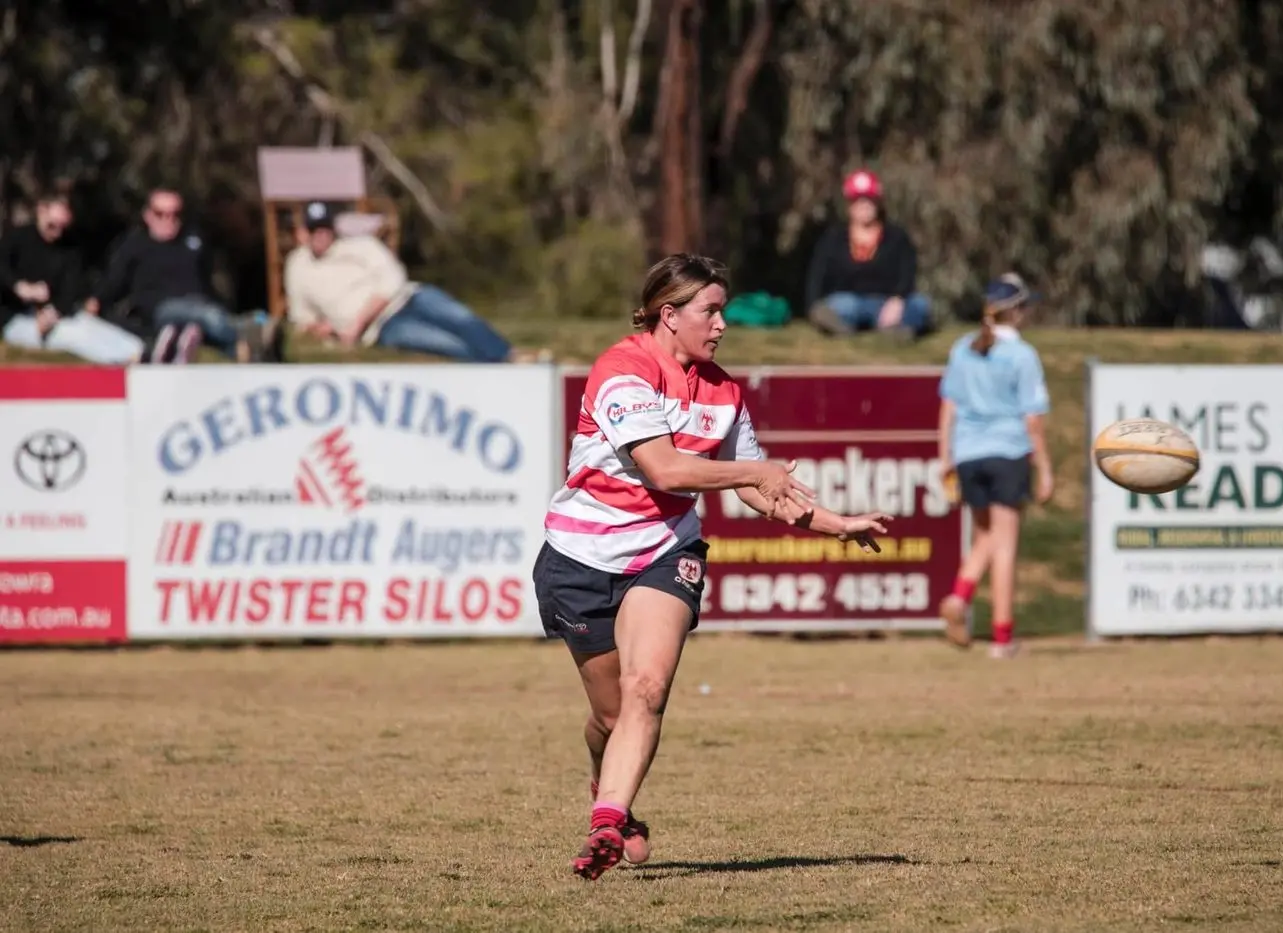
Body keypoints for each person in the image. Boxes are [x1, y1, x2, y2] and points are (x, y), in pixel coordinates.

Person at [535, 253, 895, 880]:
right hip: (578, 559)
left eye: (724, 310)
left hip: (664, 551)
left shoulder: (723, 392)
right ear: (668, 315)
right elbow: (668, 469)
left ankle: (607, 824)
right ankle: (607, 784)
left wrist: (838, 525)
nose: (724, 324)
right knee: (613, 715)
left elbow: (760, 492)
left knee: (647, 689)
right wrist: (754, 470)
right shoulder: (625, 371)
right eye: (712, 311)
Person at [935, 273, 1053, 659]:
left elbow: (948, 407)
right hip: (1007, 452)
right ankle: (1002, 638)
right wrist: (1046, 467)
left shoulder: (962, 348)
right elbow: (1032, 418)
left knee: (984, 538)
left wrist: (944, 456)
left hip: (968, 453)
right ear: (1017, 312)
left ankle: (959, 596)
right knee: (1006, 545)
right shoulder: (1023, 356)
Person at [284, 201, 525, 362]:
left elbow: (392, 280)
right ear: (303, 233)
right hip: (381, 328)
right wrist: (327, 330)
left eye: (325, 229)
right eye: (315, 230)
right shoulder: (298, 267)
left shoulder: (359, 245)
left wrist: (357, 322)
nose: (321, 236)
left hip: (408, 298)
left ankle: (511, 357)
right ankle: (500, 369)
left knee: (461, 318)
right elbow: (302, 317)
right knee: (447, 344)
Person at [89, 187, 267, 362]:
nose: (169, 220)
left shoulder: (194, 240)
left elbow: (206, 278)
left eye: (175, 214)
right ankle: (243, 330)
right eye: (161, 214)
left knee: (200, 322)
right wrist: (96, 301)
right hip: (161, 307)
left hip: (199, 304)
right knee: (206, 315)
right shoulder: (134, 245)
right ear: (148, 215)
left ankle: (244, 353)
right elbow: (114, 279)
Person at [0, 191, 159, 365]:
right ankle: (124, 359)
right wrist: (19, 287)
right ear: (41, 211)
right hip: (16, 321)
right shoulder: (16, 239)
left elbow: (71, 289)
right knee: (70, 333)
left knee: (90, 325)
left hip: (54, 315)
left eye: (63, 226)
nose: (58, 232)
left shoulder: (69, 248)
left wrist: (54, 312)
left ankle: (144, 351)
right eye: (53, 225)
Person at [805, 169, 934, 340]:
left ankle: (897, 331)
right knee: (837, 305)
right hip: (851, 303)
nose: (863, 205)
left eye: (869, 200)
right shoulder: (833, 238)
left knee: (920, 305)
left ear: (877, 203)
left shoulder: (897, 237)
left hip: (888, 303)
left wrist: (897, 300)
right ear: (849, 204)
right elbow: (817, 274)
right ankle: (843, 329)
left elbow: (908, 273)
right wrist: (813, 306)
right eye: (857, 200)